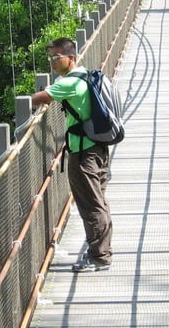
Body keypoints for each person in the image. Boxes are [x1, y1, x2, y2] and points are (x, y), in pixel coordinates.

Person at [30, 37, 113, 272]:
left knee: (91, 205)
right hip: (97, 148)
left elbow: (39, 99)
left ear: (71, 58)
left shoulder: (68, 84)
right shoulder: (85, 75)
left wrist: (26, 101)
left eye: (57, 57)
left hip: (84, 152)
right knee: (98, 202)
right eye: (51, 58)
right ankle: (100, 253)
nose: (53, 62)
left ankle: (99, 257)